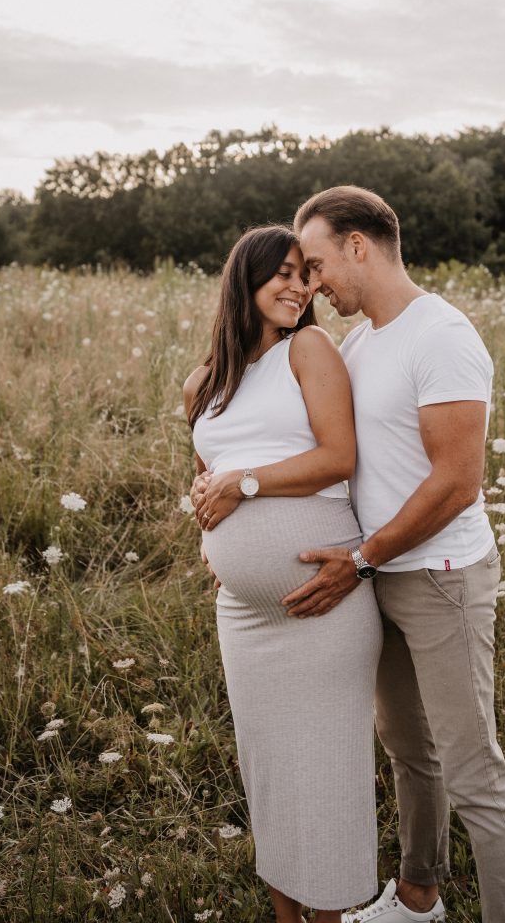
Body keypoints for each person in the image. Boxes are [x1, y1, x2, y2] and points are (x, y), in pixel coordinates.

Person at [278, 186, 505, 923]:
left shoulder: (441, 334)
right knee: (406, 749)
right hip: (378, 574)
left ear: (359, 244)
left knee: (472, 767)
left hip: (441, 577)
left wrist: (361, 556)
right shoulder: (359, 342)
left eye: (320, 262)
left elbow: (456, 482)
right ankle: (419, 899)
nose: (315, 282)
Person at [184, 224, 383, 923]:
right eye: (285, 273)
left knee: (324, 773)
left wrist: (244, 486)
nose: (300, 287)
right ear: (247, 278)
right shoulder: (203, 382)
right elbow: (205, 480)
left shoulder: (311, 347)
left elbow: (337, 457)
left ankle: (329, 913)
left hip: (321, 600)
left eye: (306, 274)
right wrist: (213, 539)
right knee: (264, 767)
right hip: (242, 611)